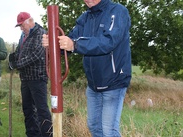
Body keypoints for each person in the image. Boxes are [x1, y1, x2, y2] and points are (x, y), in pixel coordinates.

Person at [42, 0, 131, 136]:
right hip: (93, 83)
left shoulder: (117, 12)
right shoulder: (85, 17)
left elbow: (108, 41)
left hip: (114, 82)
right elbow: (70, 41)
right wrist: (53, 43)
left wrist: (75, 45)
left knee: (109, 131)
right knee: (94, 126)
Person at [9, 12, 53, 137]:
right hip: (25, 78)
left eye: (22, 25)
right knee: (28, 109)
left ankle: (47, 135)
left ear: (29, 21)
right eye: (19, 26)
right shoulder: (23, 36)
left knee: (42, 110)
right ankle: (32, 134)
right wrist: (13, 59)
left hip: (38, 78)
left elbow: (36, 55)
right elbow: (19, 51)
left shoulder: (41, 34)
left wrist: (18, 64)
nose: (21, 28)